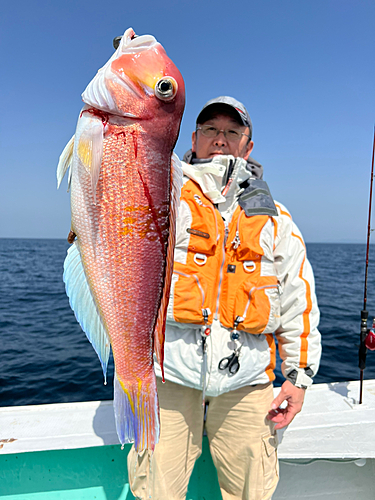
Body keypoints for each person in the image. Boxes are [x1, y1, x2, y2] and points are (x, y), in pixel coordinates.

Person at [128, 96, 321, 500]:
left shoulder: (276, 218)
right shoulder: (162, 197)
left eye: (233, 131)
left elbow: (297, 298)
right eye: (211, 130)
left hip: (247, 382)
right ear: (193, 139)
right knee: (156, 489)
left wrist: (298, 376)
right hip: (168, 376)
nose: (221, 139)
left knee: (252, 489)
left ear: (248, 146)